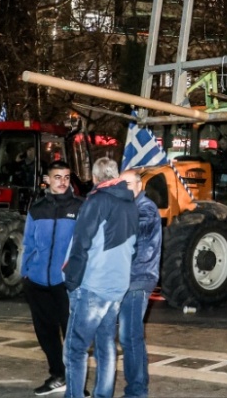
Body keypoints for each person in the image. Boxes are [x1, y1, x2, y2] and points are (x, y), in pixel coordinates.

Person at [63, 160, 141, 398]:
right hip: (117, 286)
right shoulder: (131, 205)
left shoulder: (97, 201)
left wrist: (71, 280)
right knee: (106, 346)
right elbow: (133, 248)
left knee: (76, 348)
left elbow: (81, 243)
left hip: (93, 285)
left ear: (96, 178)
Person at [21, 161, 82, 396]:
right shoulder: (37, 209)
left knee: (72, 336)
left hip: (65, 284)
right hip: (37, 282)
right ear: (48, 179)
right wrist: (25, 272)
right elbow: (28, 242)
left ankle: (76, 384)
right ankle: (58, 375)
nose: (63, 181)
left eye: (66, 177)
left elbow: (84, 246)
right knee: (46, 333)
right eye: (58, 177)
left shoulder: (80, 208)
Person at [117, 178, 162, 398]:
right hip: (127, 279)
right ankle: (136, 388)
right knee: (129, 336)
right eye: (121, 184)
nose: (124, 189)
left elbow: (136, 235)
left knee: (130, 336)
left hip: (137, 279)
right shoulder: (130, 207)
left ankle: (136, 391)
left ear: (140, 186)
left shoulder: (146, 209)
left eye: (129, 184)